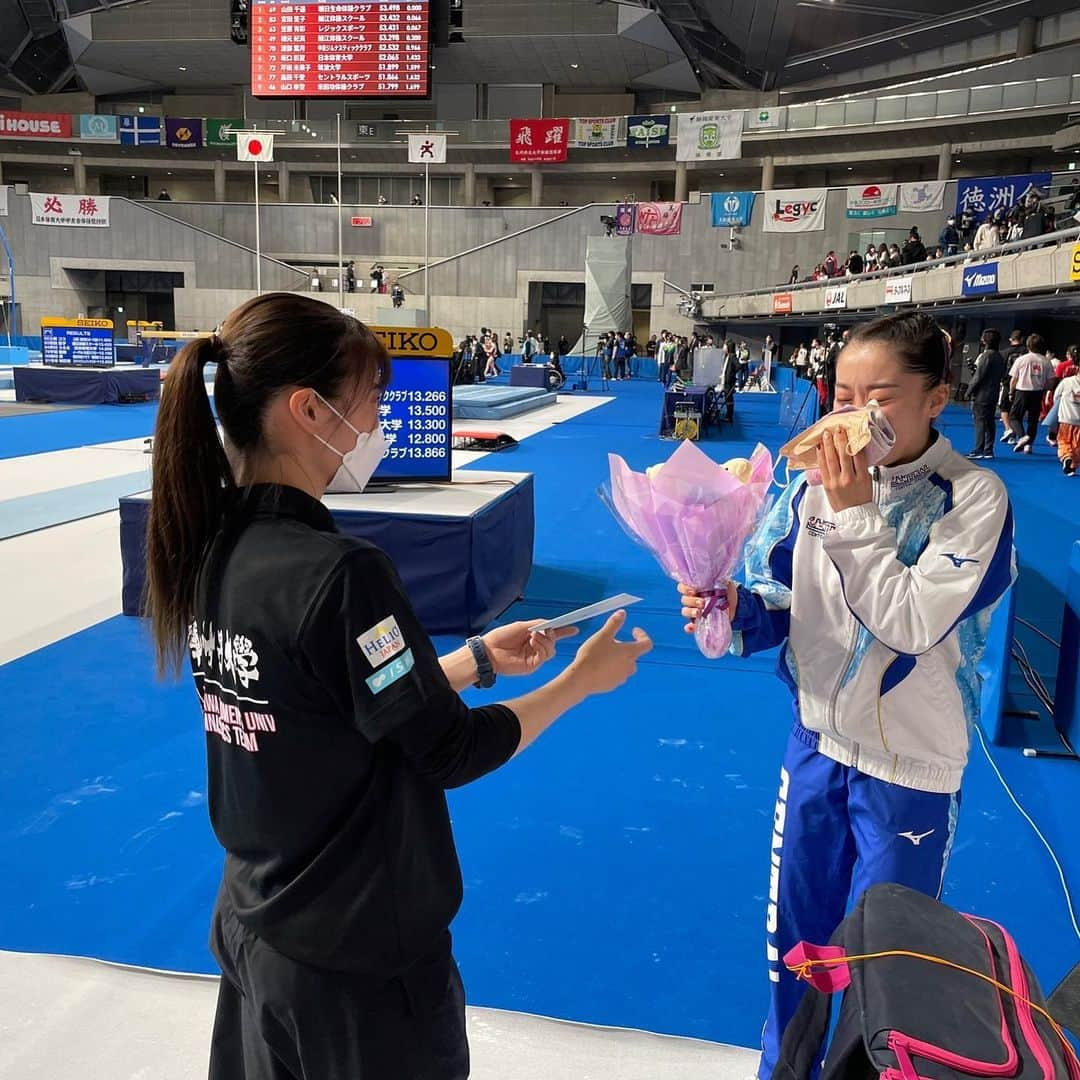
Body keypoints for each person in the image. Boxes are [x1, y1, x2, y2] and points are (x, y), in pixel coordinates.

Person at [144, 294, 652, 1079]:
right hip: (357, 965)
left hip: (259, 925)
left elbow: (311, 700)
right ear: (310, 411)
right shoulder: (341, 574)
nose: (382, 421)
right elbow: (447, 750)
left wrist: (473, 659)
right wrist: (579, 682)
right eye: (372, 401)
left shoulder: (212, 546)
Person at [677, 311, 1014, 1080]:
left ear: (937, 398)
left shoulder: (974, 499)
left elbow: (911, 624)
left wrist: (854, 509)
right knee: (797, 949)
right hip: (816, 750)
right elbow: (780, 604)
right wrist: (726, 608)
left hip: (912, 774)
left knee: (884, 973)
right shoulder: (807, 489)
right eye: (845, 392)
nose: (857, 416)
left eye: (883, 396)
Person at [1009, 333, 1054, 452]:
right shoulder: (1046, 361)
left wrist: (1010, 392)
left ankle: (1023, 436)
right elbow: (1051, 381)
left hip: (1022, 391)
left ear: (1028, 345)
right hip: (1037, 392)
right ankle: (1029, 444)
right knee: (1033, 420)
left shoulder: (1021, 359)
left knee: (1014, 417)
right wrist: (1045, 389)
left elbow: (1014, 378)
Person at [967, 328, 1007, 459]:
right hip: (993, 393)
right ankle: (988, 450)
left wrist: (969, 391)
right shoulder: (999, 357)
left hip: (982, 394)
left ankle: (978, 449)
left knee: (980, 421)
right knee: (990, 422)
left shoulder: (986, 356)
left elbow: (978, 376)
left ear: (985, 340)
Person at [1053, 364, 1080, 475]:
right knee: (1077, 445)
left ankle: (1066, 457)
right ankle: (1073, 466)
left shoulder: (1066, 381)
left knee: (1063, 441)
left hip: (1066, 418)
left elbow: (1056, 396)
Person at [999, 329, 1025, 445]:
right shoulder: (1026, 352)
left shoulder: (1005, 352)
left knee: (1004, 408)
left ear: (1011, 339)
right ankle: (1013, 434)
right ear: (1022, 339)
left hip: (1007, 383)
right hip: (1022, 386)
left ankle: (1008, 429)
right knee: (1016, 412)